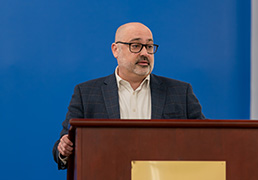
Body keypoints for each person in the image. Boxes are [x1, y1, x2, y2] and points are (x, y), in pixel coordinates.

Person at [52, 22, 205, 170]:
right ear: (115, 50)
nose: (145, 53)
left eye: (149, 46)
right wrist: (64, 149)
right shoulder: (86, 93)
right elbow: (63, 146)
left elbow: (205, 139)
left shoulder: (180, 91)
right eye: (136, 46)